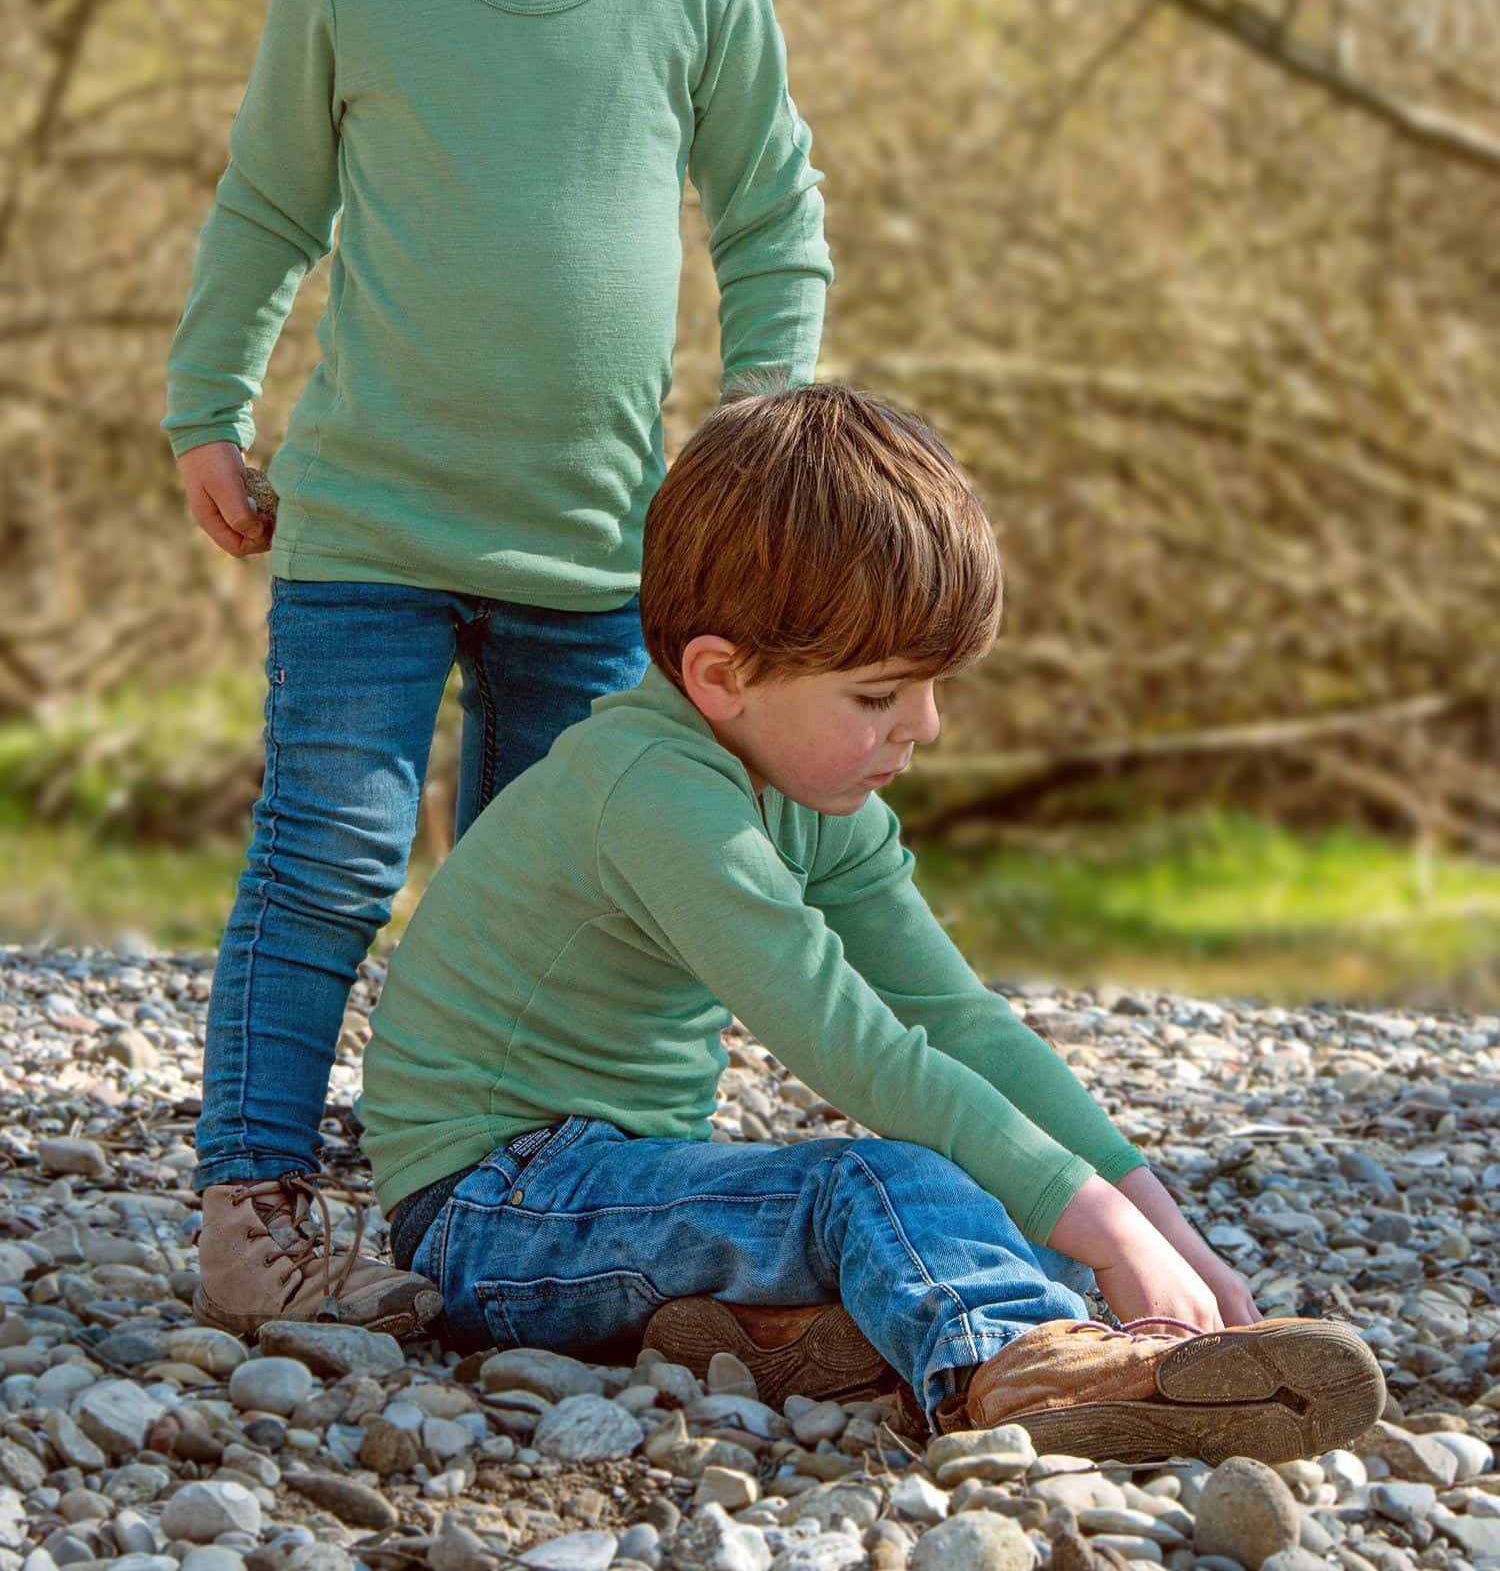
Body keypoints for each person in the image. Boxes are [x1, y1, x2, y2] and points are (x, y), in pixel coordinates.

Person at [162, 0, 832, 1337]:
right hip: (371, 527)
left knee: (588, 893)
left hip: (604, 550)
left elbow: (774, 223)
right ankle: (257, 1207)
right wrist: (203, 406)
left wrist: (760, 437)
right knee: (328, 851)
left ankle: (584, 1212)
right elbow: (264, 214)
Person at [360, 385, 1385, 1460]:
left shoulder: (815, 800)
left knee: (1027, 1209)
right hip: (492, 1212)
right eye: (879, 694)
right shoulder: (652, 793)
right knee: (891, 1181)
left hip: (619, 1189)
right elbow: (857, 1044)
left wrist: (1169, 1239)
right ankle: (1026, 1373)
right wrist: (1104, 1226)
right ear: (721, 677)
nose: (926, 726)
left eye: (932, 688)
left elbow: (962, 1024)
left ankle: (797, 1341)